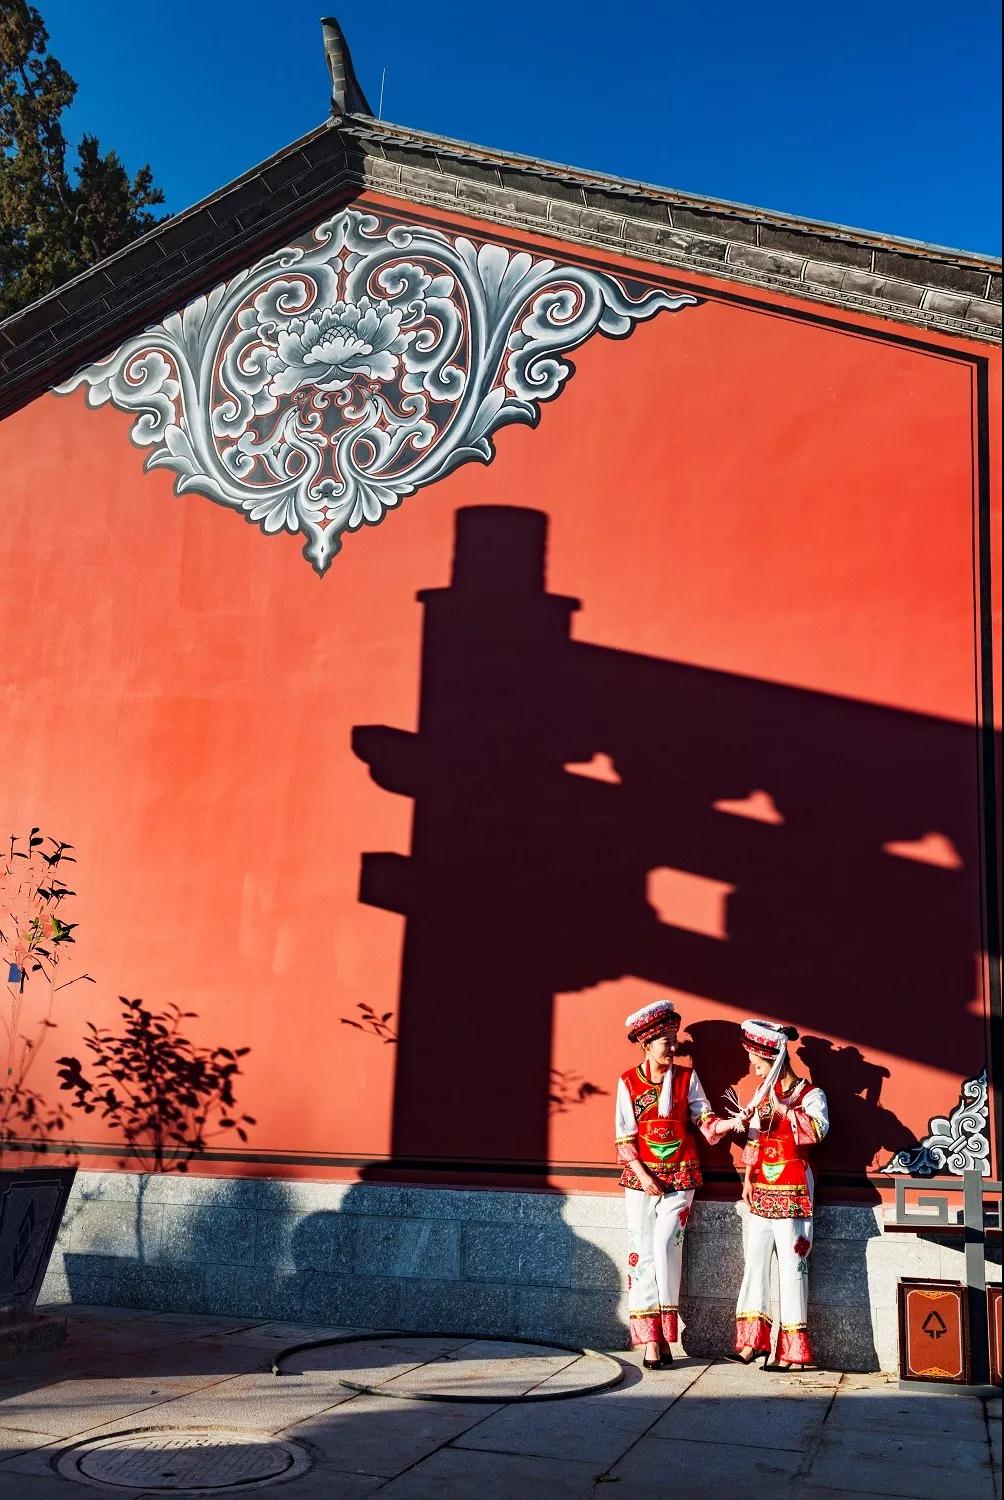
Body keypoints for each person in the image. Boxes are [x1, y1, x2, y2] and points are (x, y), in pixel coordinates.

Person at [615, 998, 737, 1370]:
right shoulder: (628, 1081)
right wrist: (644, 1176)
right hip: (641, 1179)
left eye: (674, 1040)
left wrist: (734, 1123)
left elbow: (706, 1120)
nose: (673, 1047)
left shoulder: (686, 1078)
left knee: (667, 1245)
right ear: (646, 1044)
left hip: (682, 1175)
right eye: (666, 1041)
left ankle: (666, 1331)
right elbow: (624, 1136)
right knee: (642, 1251)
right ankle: (651, 1340)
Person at [727, 1018, 829, 1372]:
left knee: (792, 1265)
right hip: (762, 1188)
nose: (753, 1069)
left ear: (774, 1060)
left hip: (794, 1185)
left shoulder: (811, 1095)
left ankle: (790, 1351)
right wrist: (748, 1178)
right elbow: (755, 1139)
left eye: (757, 1063)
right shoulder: (761, 1094)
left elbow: (818, 1131)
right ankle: (752, 1342)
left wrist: (783, 1108)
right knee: (754, 1263)